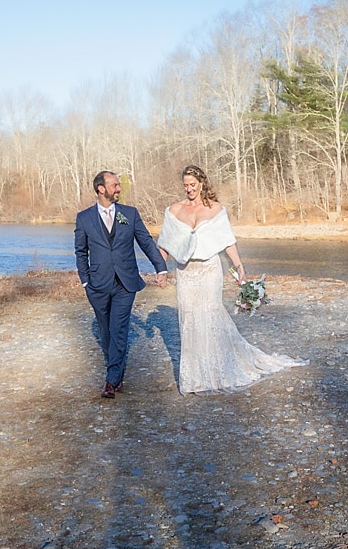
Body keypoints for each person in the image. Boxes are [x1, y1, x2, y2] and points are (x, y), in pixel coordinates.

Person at [157, 165, 306, 395]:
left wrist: (239, 268)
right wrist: (160, 270)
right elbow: (165, 244)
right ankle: (194, 378)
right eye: (185, 185)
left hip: (209, 271)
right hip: (185, 272)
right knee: (189, 320)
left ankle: (219, 372)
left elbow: (228, 241)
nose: (189, 189)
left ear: (202, 184)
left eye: (193, 185)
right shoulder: (174, 210)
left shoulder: (216, 210)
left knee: (209, 315)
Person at [75, 170, 168, 398]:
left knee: (119, 328)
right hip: (97, 284)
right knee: (106, 330)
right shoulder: (84, 218)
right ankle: (116, 371)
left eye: (118, 185)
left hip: (125, 282)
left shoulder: (130, 214)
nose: (118, 189)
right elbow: (80, 252)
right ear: (101, 189)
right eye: (114, 185)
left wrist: (161, 267)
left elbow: (146, 242)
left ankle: (111, 380)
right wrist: (86, 281)